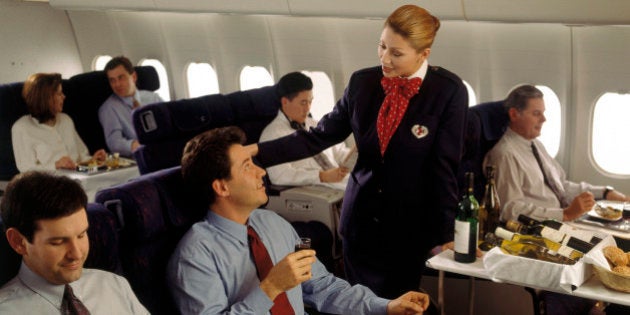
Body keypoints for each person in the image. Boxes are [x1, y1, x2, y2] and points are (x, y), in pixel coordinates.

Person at [249, 5, 468, 298]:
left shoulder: (447, 91)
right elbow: (317, 137)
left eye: (397, 53)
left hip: (409, 228)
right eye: (381, 46)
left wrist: (446, 234)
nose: (384, 58)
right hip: (360, 223)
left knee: (396, 303)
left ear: (423, 54)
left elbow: (444, 169)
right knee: (358, 302)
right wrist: (254, 151)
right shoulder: (362, 83)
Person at [167, 126, 431, 315]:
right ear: (222, 188)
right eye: (247, 166)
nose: (261, 171)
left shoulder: (273, 224)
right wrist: (271, 287)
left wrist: (385, 306)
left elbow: (323, 288)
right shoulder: (195, 256)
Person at [0, 171, 148, 314]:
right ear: (18, 241)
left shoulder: (114, 285)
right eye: (58, 242)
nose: (76, 254)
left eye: (81, 235)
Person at [483, 84, 630, 223]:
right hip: (540, 227)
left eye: (543, 113)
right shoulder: (505, 154)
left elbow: (561, 186)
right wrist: (565, 214)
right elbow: (509, 210)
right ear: (514, 114)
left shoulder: (535, 145)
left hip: (562, 218)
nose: (543, 119)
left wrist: (605, 193)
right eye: (536, 114)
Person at [259, 72, 352, 190]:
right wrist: (321, 176)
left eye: (310, 101)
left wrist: (354, 157)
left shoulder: (316, 124)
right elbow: (280, 175)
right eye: (303, 103)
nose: (308, 108)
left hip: (341, 180)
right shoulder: (271, 135)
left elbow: (339, 153)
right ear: (285, 102)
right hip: (317, 188)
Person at [11, 73, 107, 172]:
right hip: (49, 182)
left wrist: (93, 160)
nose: (64, 97)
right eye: (59, 93)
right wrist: (55, 165)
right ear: (45, 98)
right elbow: (25, 168)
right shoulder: (21, 127)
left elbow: (81, 156)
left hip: (79, 175)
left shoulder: (66, 120)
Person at [98, 56, 163, 157]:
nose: (117, 84)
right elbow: (114, 143)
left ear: (134, 77)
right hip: (139, 156)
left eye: (121, 77)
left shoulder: (154, 98)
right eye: (112, 80)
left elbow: (168, 123)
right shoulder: (108, 108)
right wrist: (136, 145)